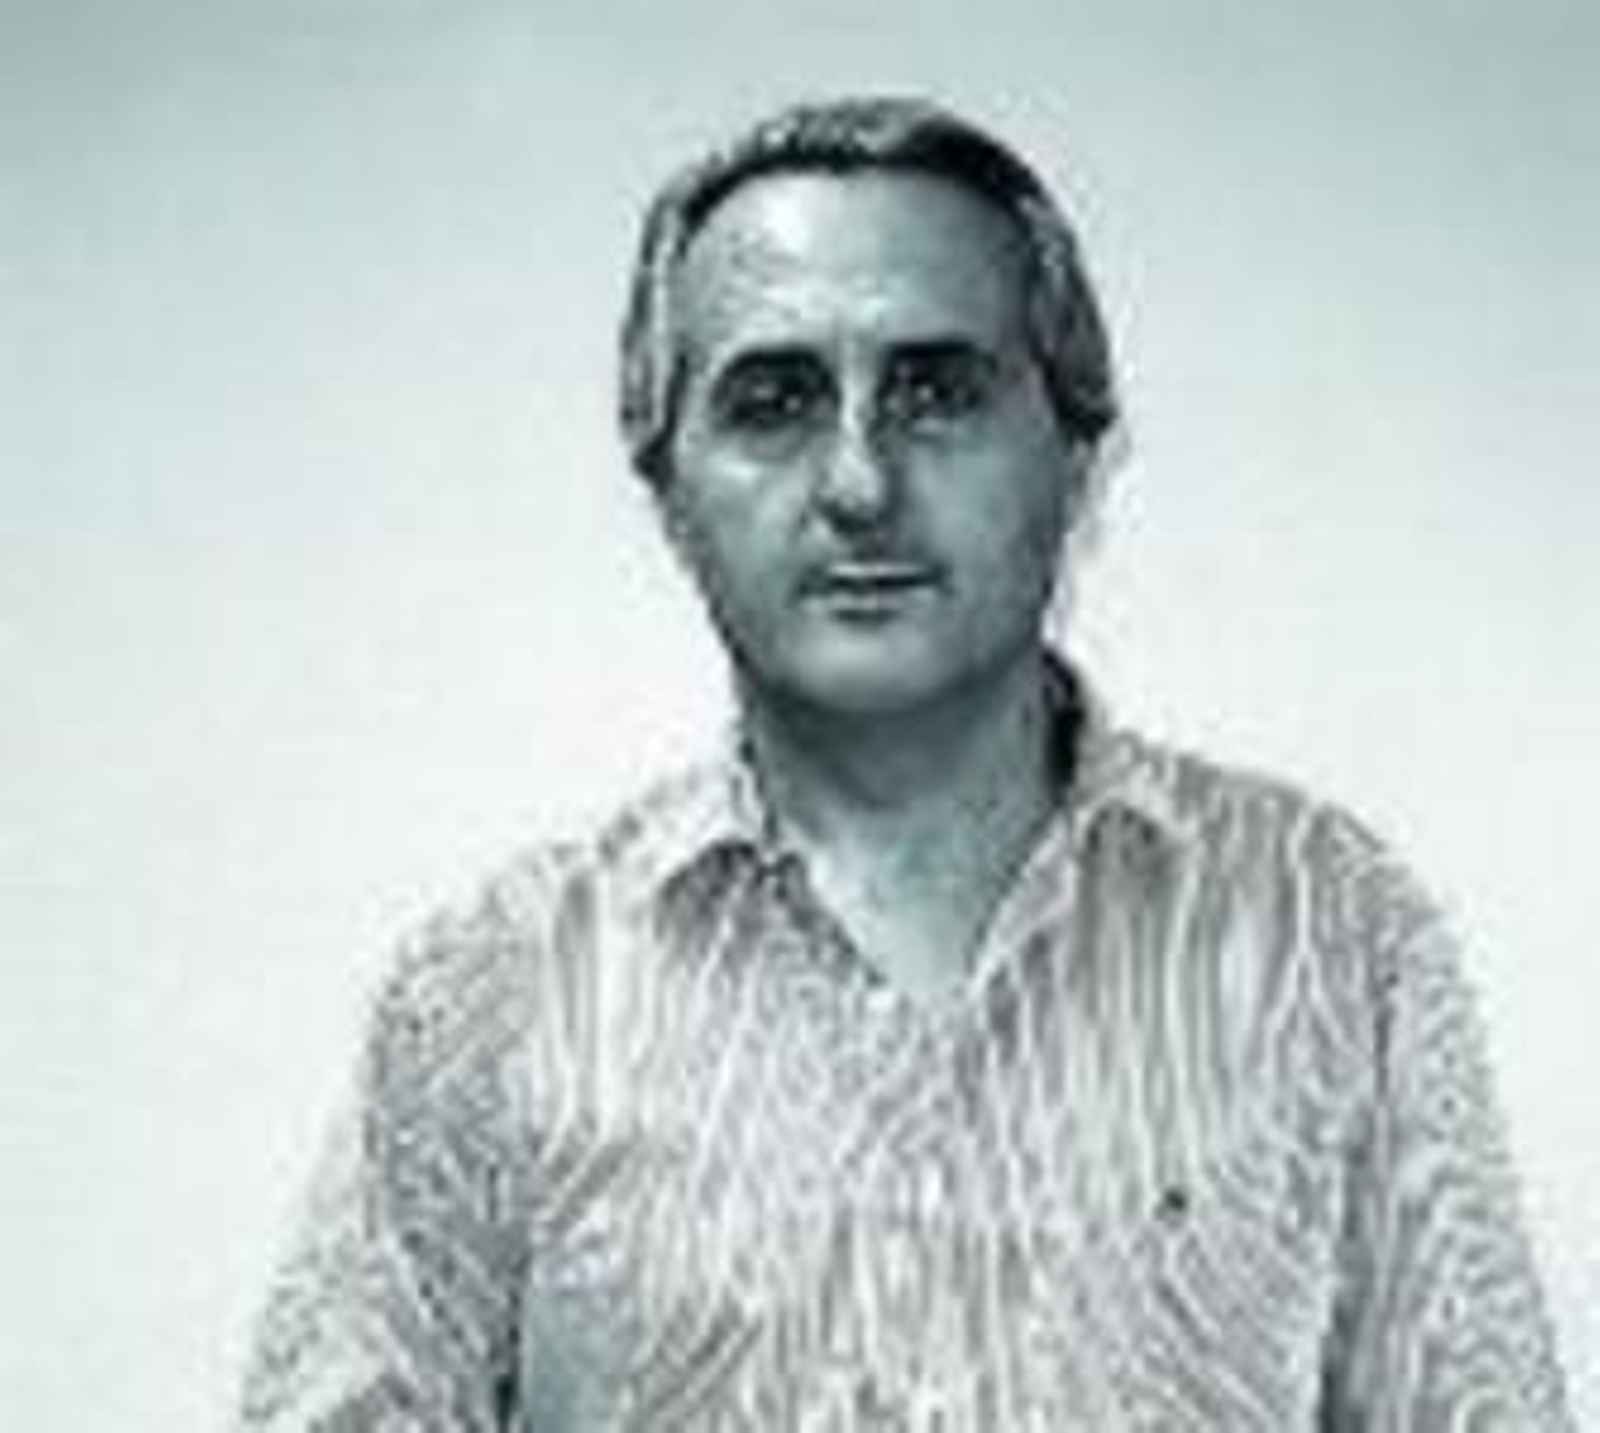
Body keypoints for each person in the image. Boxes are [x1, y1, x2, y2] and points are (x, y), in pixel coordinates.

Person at [234, 97, 1573, 1431]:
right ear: (668, 492)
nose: (860, 483)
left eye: (936, 392)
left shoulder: (1329, 930)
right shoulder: (496, 994)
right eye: (774, 403)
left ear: (1079, 455)